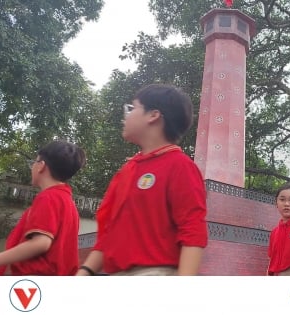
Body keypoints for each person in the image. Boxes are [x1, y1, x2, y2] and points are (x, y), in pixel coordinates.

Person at [77, 84, 208, 276]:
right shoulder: (128, 170)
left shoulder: (180, 166)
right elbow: (109, 233)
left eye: (133, 108)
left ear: (153, 115)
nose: (127, 115)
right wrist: (85, 272)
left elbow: (193, 231)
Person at [0, 141, 86, 275]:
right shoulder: (68, 202)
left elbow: (40, 243)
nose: (32, 166)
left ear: (41, 166)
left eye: (34, 162)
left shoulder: (48, 198)